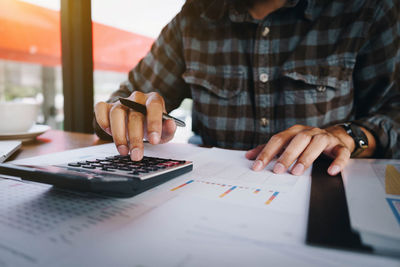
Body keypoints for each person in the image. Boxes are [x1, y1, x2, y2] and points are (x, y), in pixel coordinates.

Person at [94, 0, 400, 176]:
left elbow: (394, 113)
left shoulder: (366, 10)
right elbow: (119, 106)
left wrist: (348, 136)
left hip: (321, 191)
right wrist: (123, 115)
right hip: (201, 196)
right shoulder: (194, 17)